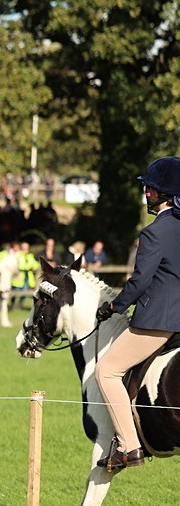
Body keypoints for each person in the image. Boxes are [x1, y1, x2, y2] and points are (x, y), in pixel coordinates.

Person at [93, 157, 180, 471]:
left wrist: (115, 305)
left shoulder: (155, 232)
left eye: (150, 189)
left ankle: (129, 447)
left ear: (161, 193)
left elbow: (140, 281)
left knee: (107, 370)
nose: (146, 193)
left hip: (159, 321)